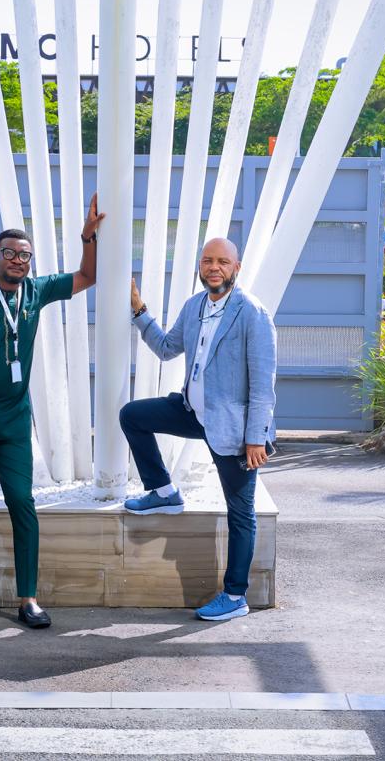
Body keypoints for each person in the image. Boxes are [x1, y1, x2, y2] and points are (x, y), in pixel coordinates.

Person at [0, 196, 105, 629]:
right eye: (9, 253)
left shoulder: (36, 291)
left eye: (24, 255)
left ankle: (28, 598)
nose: (17, 260)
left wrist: (88, 237)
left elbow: (88, 276)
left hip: (12, 422)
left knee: (22, 503)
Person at [120, 238, 277, 622]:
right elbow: (166, 348)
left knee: (240, 513)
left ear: (236, 268)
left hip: (234, 429)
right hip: (193, 412)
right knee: (132, 416)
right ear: (200, 266)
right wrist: (139, 311)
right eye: (208, 260)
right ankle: (164, 492)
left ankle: (235, 595)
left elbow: (263, 385)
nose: (214, 267)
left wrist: (256, 437)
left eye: (222, 261)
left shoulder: (252, 313)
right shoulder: (194, 307)